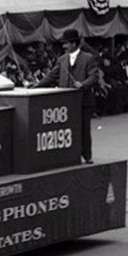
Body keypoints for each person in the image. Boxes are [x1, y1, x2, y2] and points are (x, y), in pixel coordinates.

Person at [35, 29, 98, 163]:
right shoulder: (62, 59)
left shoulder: (88, 58)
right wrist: (36, 87)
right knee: (67, 130)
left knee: (84, 129)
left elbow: (94, 77)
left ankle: (87, 155)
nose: (64, 46)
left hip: (83, 101)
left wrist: (83, 84)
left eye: (67, 43)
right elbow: (51, 76)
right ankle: (71, 156)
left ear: (74, 44)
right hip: (66, 101)